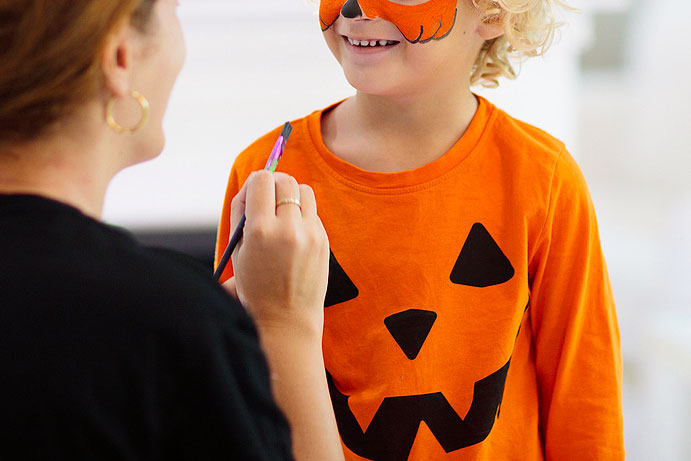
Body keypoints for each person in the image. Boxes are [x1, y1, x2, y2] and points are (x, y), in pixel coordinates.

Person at [215, 0, 625, 459]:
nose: (356, 8)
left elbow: (585, 397)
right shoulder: (268, 178)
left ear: (493, 13)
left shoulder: (543, 178)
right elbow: (236, 390)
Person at [0, 1, 343, 459]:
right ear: (120, 57)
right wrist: (284, 325)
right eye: (173, 11)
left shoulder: (171, 323)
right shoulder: (166, 332)